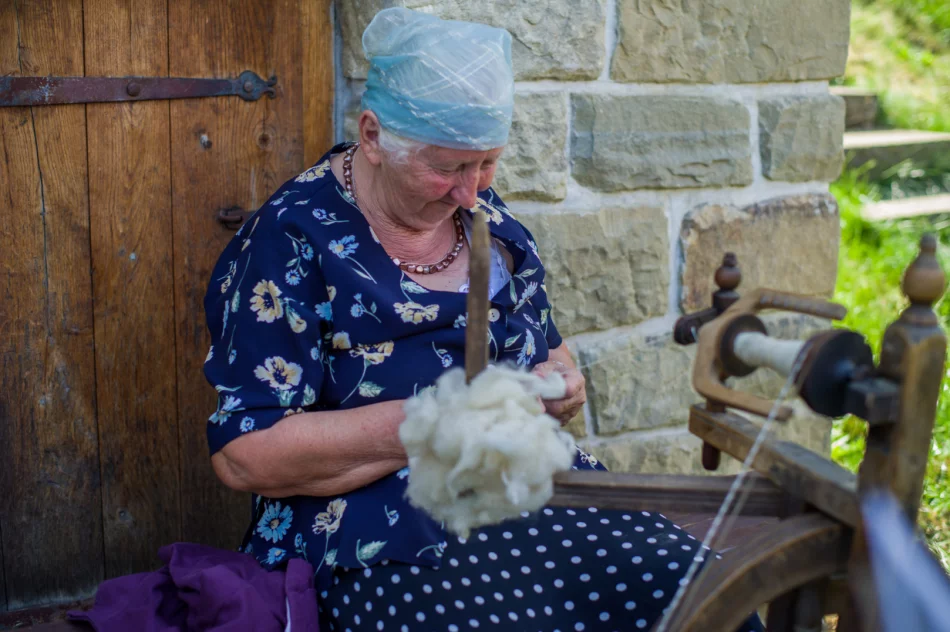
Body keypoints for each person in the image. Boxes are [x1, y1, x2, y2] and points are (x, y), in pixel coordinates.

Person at [202, 7, 764, 631]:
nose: (471, 192)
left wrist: (558, 383)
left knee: (706, 598)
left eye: (486, 163)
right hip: (373, 523)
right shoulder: (292, 239)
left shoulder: (488, 221)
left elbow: (546, 347)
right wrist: (439, 418)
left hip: (530, 488)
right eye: (445, 168)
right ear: (372, 136)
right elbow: (246, 455)